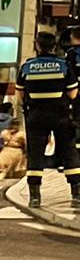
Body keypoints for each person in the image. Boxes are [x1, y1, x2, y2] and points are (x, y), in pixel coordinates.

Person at [16, 32, 80, 210]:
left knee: (35, 155)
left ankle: (35, 197)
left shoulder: (27, 67)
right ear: (54, 46)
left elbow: (20, 95)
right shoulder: (64, 66)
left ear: (37, 46)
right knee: (69, 153)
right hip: (60, 116)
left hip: (36, 117)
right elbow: (73, 93)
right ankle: (76, 194)